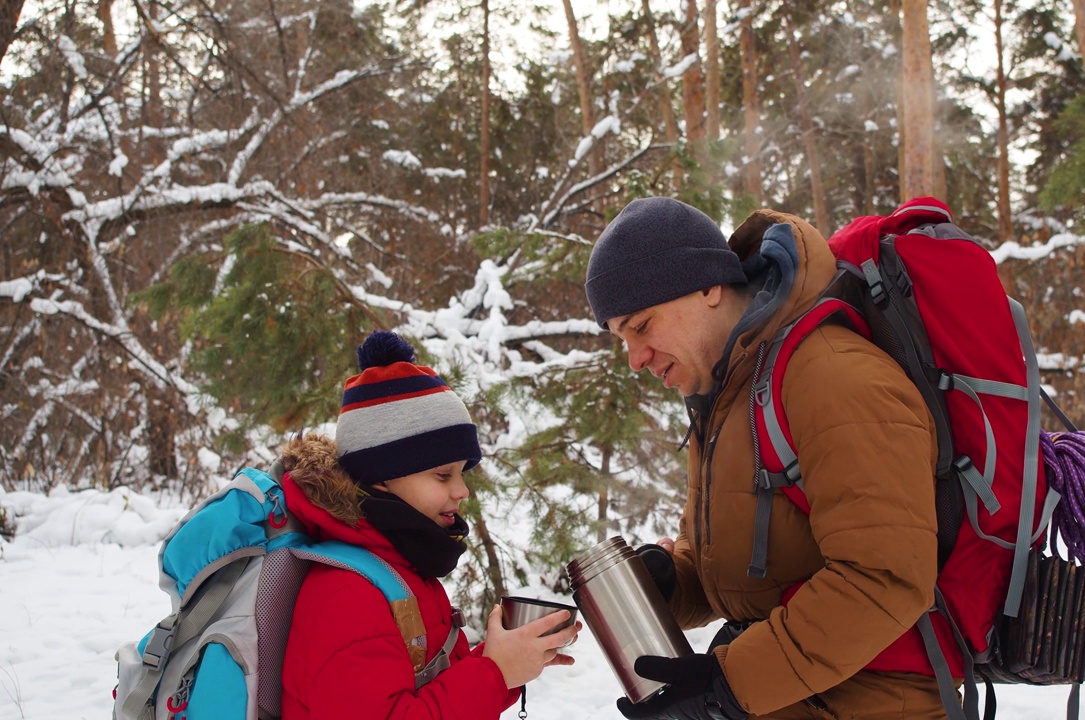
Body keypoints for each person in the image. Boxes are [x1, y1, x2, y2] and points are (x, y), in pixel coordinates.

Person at [583, 197, 944, 719]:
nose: (635, 359)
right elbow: (764, 569)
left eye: (641, 326)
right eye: (621, 339)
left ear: (706, 287)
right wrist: (675, 578)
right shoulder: (728, 394)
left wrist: (726, 684)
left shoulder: (834, 377)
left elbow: (884, 578)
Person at [279, 330, 580, 720]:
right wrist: (493, 673)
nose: (462, 491)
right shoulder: (347, 594)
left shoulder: (399, 566)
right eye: (443, 475)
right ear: (382, 477)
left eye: (462, 473)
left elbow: (421, 692)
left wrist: (504, 663)